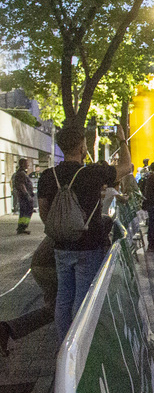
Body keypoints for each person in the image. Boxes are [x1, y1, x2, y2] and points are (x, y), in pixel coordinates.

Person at [37, 125, 133, 342]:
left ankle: (64, 344)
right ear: (82, 146)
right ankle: (79, 347)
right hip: (89, 245)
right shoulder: (92, 173)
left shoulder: (47, 176)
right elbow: (127, 167)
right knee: (83, 299)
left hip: (61, 246)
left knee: (63, 298)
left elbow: (44, 212)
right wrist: (122, 141)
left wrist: (63, 230)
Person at [0, 236, 56, 355]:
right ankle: (6, 329)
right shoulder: (96, 223)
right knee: (59, 308)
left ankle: (6, 329)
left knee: (57, 307)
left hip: (42, 263)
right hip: (50, 265)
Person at [12, 158, 34, 234]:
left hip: (24, 196)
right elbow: (22, 185)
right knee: (25, 212)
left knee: (25, 212)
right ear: (22, 164)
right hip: (24, 197)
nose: (27, 165)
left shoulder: (22, 173)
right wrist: (27, 195)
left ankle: (22, 227)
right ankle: (22, 227)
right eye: (26, 163)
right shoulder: (21, 173)